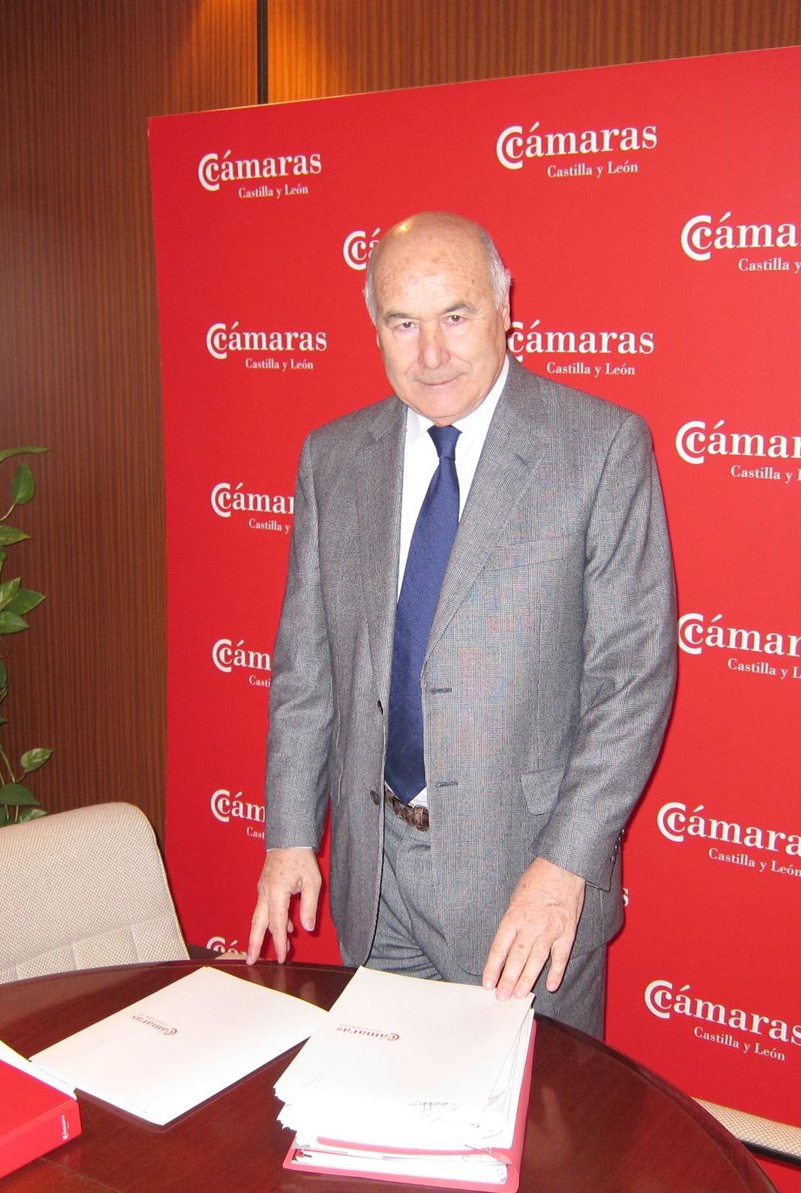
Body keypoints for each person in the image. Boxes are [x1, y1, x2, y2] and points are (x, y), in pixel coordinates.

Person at [246, 211, 676, 1035]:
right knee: (383, 1102)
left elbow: (632, 682)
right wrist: (291, 833)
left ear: (505, 308)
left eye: (455, 315)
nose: (431, 353)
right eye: (403, 324)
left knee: (537, 1114)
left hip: (524, 886)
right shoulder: (332, 457)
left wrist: (564, 864)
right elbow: (306, 667)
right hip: (376, 883)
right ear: (376, 330)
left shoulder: (600, 449)